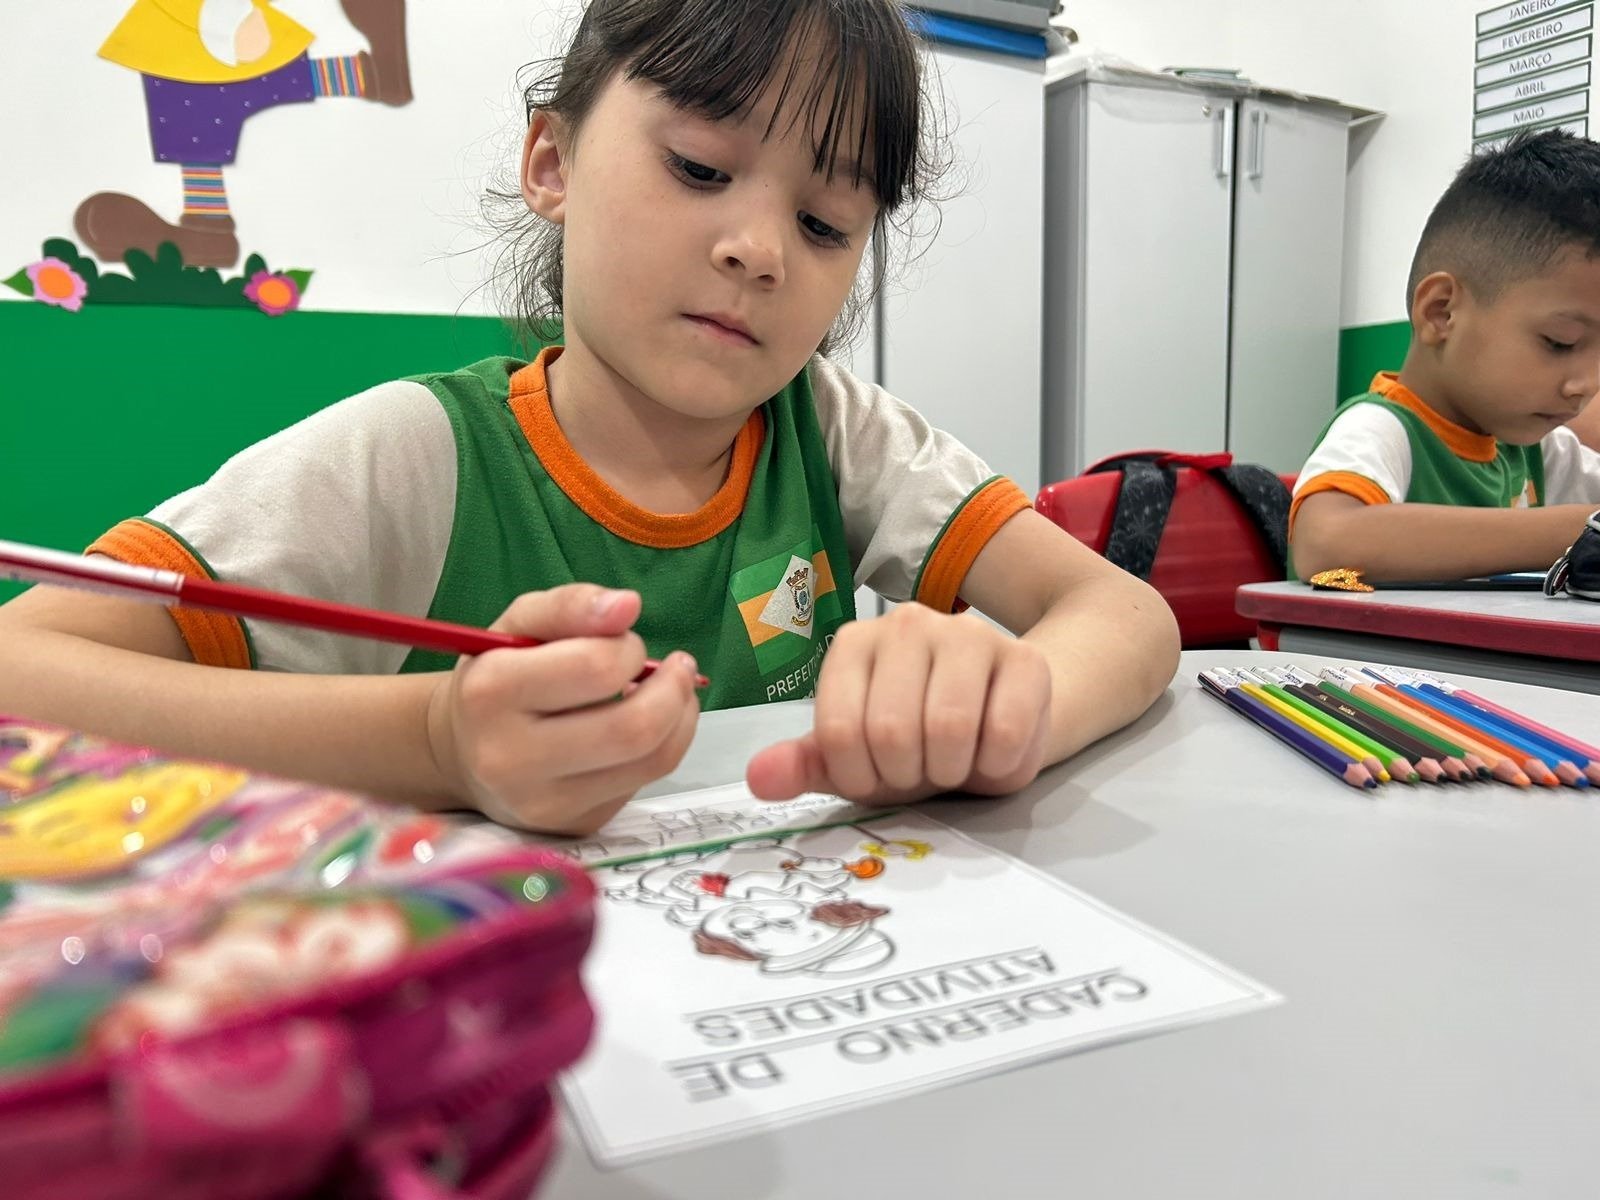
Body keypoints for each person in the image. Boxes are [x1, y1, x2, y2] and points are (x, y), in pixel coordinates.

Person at [0, 0, 1179, 835]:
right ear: (551, 161)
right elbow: (21, 673)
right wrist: (434, 742)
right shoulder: (413, 458)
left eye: (825, 226)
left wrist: (999, 707)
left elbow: (1121, 614)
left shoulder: (832, 429)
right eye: (702, 169)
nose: (758, 251)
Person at [1291, 128, 1600, 583]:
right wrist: (1574, 530)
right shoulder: (1382, 431)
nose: (1585, 384)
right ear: (1442, 313)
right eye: (1561, 342)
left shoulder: (1537, 451)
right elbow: (1326, 542)